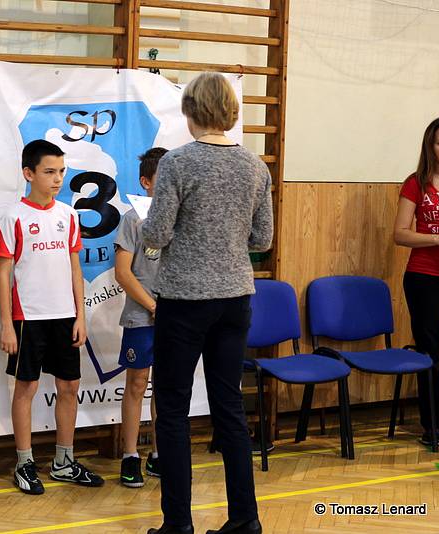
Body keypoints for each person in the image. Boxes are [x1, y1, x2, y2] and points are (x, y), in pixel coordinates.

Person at [142, 72, 273, 534]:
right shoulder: (255, 166)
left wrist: (164, 238)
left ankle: (178, 523)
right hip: (235, 298)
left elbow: (156, 233)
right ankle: (245, 519)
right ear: (230, 111)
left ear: (191, 110)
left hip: (185, 300)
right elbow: (263, 238)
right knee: (229, 406)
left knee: (173, 409)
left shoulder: (178, 162)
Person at [0, 139, 104, 495]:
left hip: (65, 316)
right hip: (28, 318)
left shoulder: (68, 215)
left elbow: (75, 267)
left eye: (61, 171)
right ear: (29, 174)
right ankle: (24, 462)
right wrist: (7, 324)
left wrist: (80, 316)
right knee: (26, 387)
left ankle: (64, 461)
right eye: (49, 172)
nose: (57, 179)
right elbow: (3, 274)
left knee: (69, 386)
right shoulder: (13, 217)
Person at [114, 147, 167, 488]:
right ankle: (130, 455)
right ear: (146, 182)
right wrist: (153, 306)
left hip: (175, 318)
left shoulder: (181, 216)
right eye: (163, 177)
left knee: (166, 387)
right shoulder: (132, 219)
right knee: (136, 384)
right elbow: (123, 273)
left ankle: (160, 454)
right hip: (141, 316)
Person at [393, 116, 439, 448]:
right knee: (431, 351)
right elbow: (400, 234)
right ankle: (433, 424)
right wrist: (438, 239)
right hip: (424, 276)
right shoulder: (417, 182)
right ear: (431, 146)